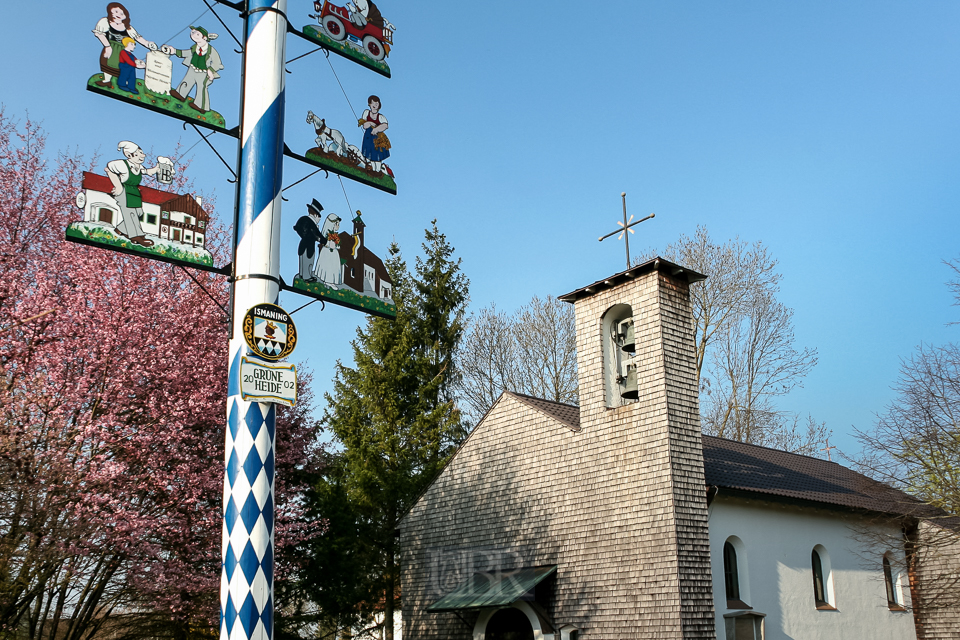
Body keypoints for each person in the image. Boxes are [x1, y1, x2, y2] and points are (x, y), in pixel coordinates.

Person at [105, 141, 161, 247]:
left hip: (134, 191)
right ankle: (136, 236)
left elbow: (147, 172)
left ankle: (120, 229)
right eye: (137, 154)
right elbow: (109, 169)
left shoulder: (138, 167)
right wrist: (118, 185)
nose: (142, 156)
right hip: (124, 191)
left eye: (141, 152)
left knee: (138, 212)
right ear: (129, 155)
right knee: (130, 213)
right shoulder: (122, 165)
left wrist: (156, 169)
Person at [92, 2, 156, 89]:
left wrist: (148, 44)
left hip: (123, 50)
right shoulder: (105, 22)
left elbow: (137, 37)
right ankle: (107, 80)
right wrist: (107, 46)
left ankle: (124, 83)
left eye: (122, 13)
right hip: (111, 47)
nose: (118, 15)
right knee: (107, 64)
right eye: (115, 12)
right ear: (110, 12)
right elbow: (100, 34)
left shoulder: (128, 28)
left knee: (124, 67)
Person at [161, 26, 223, 114]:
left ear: (204, 38)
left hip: (204, 72)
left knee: (201, 88)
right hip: (193, 68)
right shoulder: (195, 48)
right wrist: (174, 51)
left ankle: (200, 106)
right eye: (193, 32)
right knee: (187, 80)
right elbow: (187, 53)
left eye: (197, 34)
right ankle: (180, 94)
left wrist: (211, 70)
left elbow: (217, 62)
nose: (194, 35)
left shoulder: (210, 50)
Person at [293, 199, 325, 283]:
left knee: (302, 259)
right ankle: (307, 277)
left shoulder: (303, 219)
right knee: (308, 260)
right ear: (316, 215)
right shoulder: (312, 224)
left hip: (303, 244)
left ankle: (302, 274)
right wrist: (322, 240)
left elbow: (297, 228)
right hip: (309, 245)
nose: (319, 220)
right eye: (319, 218)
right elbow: (318, 235)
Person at [359, 95, 390, 174]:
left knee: (377, 156)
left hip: (378, 139)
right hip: (368, 137)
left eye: (376, 103)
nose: (374, 105)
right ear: (369, 104)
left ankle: (378, 170)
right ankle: (371, 169)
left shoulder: (380, 117)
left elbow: (385, 125)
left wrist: (376, 129)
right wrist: (370, 123)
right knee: (369, 154)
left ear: (379, 105)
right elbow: (364, 125)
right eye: (373, 103)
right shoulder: (366, 113)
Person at [314, 214, 343, 288]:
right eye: (337, 224)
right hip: (327, 252)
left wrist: (337, 245)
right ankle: (327, 281)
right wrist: (330, 244)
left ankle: (331, 281)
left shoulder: (335, 234)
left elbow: (337, 244)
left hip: (334, 252)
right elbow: (325, 242)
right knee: (328, 265)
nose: (338, 226)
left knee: (333, 266)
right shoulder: (327, 233)